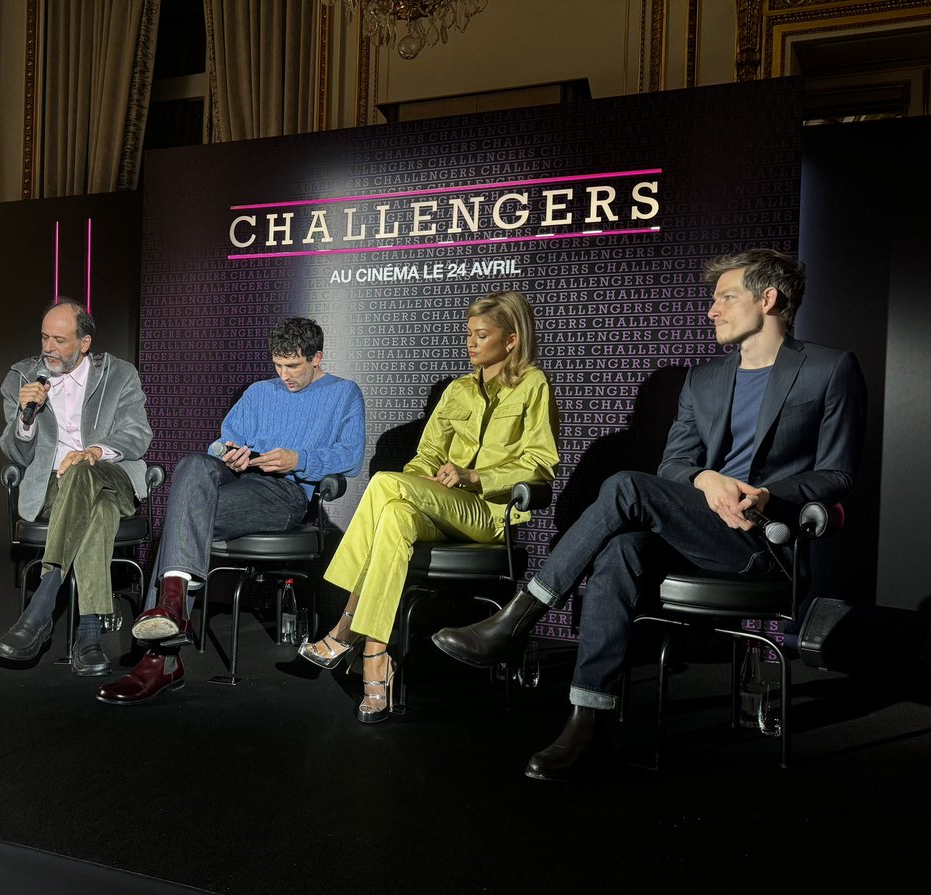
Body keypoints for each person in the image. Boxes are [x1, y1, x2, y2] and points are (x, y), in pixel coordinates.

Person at [432, 248, 867, 780]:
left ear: (767, 299)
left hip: (761, 541)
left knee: (625, 486)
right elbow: (676, 463)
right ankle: (587, 722)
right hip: (697, 529)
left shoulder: (828, 368)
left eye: (725, 297)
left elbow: (839, 473)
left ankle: (518, 619)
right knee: (619, 550)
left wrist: (767, 494)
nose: (711, 310)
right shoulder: (704, 378)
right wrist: (705, 479)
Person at [299, 291, 559, 723]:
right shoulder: (457, 391)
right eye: (468, 335)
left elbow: (541, 465)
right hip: (445, 508)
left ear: (511, 340)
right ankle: (378, 656)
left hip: (491, 516)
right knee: (396, 512)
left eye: (481, 335)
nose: (471, 344)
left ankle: (344, 626)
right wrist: (423, 480)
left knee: (383, 483)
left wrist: (475, 476)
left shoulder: (533, 385)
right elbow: (424, 459)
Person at [97, 317, 365, 705]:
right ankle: (171, 615)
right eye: (278, 365)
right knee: (194, 463)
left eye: (293, 367)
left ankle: (160, 653)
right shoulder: (259, 392)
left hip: (283, 494)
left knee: (184, 518)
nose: (284, 375)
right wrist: (232, 454)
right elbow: (222, 443)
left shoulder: (343, 393)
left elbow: (350, 457)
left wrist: (298, 459)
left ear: (317, 357)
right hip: (238, 480)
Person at [0, 299, 152, 677]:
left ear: (84, 344)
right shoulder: (21, 377)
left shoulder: (119, 374)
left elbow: (137, 434)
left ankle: (41, 607)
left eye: (59, 340)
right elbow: (15, 450)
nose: (48, 348)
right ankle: (89, 632)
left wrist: (94, 451)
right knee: (95, 509)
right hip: (53, 486)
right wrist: (24, 419)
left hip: (112, 475)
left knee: (83, 470)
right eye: (45, 337)